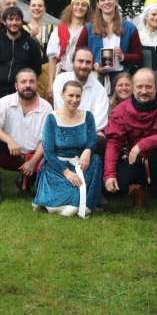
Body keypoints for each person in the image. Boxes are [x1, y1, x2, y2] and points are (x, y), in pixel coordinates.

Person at [103, 68, 157, 221]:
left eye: (148, 87)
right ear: (133, 88)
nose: (144, 91)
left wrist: (143, 144)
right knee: (109, 186)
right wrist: (109, 174)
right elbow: (114, 143)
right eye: (139, 87)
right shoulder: (122, 110)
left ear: (156, 86)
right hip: (136, 162)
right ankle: (140, 191)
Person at [0, 69, 53, 204]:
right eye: (23, 82)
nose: (28, 85)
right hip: (9, 153)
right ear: (16, 85)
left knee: (52, 149)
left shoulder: (46, 108)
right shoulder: (4, 102)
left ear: (37, 84)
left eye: (31, 82)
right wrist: (9, 140)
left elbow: (47, 139)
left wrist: (33, 160)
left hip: (35, 156)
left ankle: (26, 182)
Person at [32, 81, 103, 218]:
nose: (74, 100)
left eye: (78, 96)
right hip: (57, 166)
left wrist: (88, 150)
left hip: (81, 164)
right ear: (62, 95)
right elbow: (48, 151)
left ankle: (88, 200)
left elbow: (92, 140)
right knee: (69, 204)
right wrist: (66, 172)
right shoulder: (52, 119)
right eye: (71, 95)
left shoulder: (88, 117)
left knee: (96, 159)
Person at [52, 47, 109, 155]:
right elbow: (63, 113)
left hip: (87, 136)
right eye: (80, 61)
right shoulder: (61, 81)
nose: (84, 66)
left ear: (92, 65)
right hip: (63, 132)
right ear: (72, 62)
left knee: (100, 139)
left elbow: (99, 121)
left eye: (88, 62)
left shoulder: (99, 89)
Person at [87, 0, 143, 90]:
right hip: (95, 79)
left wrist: (123, 57)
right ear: (98, 4)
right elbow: (78, 55)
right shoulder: (88, 28)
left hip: (122, 81)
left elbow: (139, 57)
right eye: (103, 0)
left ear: (116, 1)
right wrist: (93, 64)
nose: (106, 2)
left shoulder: (130, 28)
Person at [0, 6, 43, 100]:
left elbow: (37, 68)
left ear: (21, 22)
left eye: (17, 19)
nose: (14, 23)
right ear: (4, 22)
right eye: (10, 19)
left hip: (22, 90)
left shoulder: (31, 44)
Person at [46, 0, 92, 100]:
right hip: (62, 75)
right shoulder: (59, 29)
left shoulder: (90, 29)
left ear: (87, 9)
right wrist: (50, 83)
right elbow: (52, 59)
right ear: (71, 7)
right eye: (77, 4)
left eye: (83, 5)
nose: (80, 7)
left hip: (83, 76)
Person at [25, 0, 56, 100]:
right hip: (30, 71)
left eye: (40, 6)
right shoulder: (22, 29)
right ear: (29, 9)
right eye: (33, 5)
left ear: (44, 9)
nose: (36, 8)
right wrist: (29, 37)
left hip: (48, 72)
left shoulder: (53, 28)